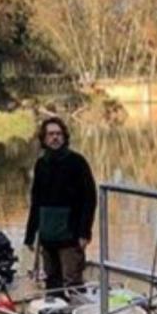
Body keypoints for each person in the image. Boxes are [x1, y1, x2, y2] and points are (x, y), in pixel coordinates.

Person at [24, 117, 98, 295]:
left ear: (64, 137)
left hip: (71, 236)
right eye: (50, 134)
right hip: (47, 235)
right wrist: (30, 235)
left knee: (73, 283)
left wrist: (84, 232)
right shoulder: (41, 164)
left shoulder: (77, 162)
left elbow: (90, 198)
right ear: (44, 138)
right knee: (52, 283)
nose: (55, 138)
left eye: (58, 134)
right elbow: (36, 201)